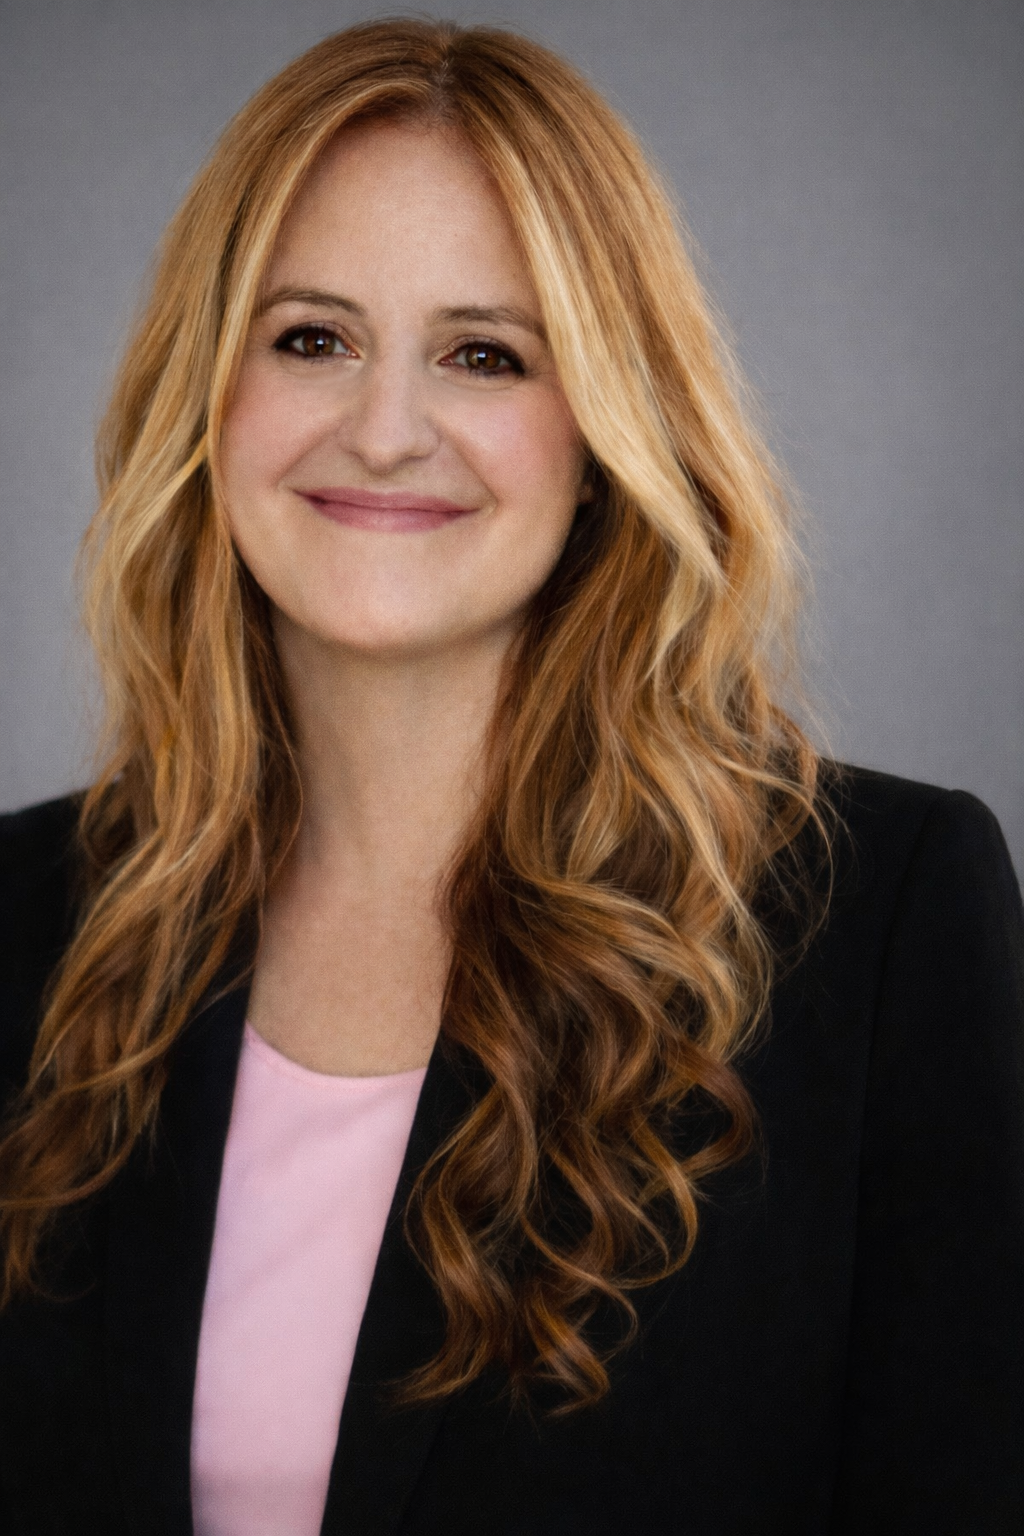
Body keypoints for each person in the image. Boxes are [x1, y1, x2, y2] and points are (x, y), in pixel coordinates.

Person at [0, 18, 1020, 1536]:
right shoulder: (23, 920)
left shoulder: (878, 923)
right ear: (204, 400)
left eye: (485, 354)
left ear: (607, 430)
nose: (386, 429)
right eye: (311, 339)